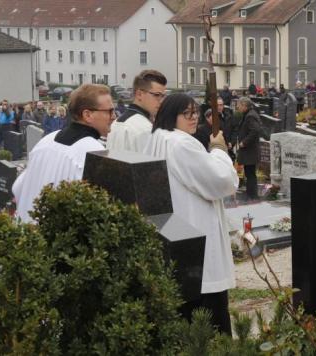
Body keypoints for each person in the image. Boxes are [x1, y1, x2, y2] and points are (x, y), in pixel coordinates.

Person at [143, 93, 238, 335]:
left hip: (178, 232)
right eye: (187, 113)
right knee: (210, 316)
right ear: (170, 115)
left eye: (195, 112)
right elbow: (220, 181)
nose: (194, 117)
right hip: (198, 234)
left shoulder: (158, 137)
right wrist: (218, 150)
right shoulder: (181, 143)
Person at [13, 84, 115, 223]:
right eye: (109, 111)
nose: (113, 116)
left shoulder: (46, 141)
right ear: (87, 115)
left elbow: (18, 188)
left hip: (25, 233)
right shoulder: (95, 152)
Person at [106, 70, 167, 153]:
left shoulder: (115, 123)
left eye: (163, 96)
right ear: (139, 94)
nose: (161, 101)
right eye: (157, 95)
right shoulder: (145, 129)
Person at [235, 97, 261, 200]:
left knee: (250, 173)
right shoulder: (249, 114)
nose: (238, 107)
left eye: (239, 105)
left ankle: (252, 195)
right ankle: (250, 193)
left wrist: (244, 143)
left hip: (250, 150)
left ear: (244, 105)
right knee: (249, 172)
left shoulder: (250, 116)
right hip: (250, 151)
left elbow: (255, 131)